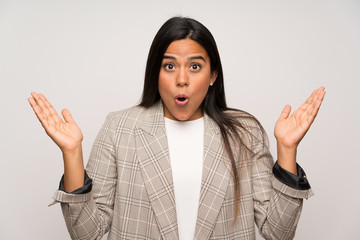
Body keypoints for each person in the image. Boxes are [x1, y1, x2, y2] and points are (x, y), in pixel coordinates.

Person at [28, 17, 325, 240]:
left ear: (213, 75)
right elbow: (87, 234)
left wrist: (287, 150)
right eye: (169, 66)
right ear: (155, 73)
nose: (181, 79)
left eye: (195, 66)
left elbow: (277, 232)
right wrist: (72, 154)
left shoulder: (244, 133)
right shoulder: (121, 127)